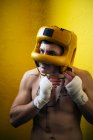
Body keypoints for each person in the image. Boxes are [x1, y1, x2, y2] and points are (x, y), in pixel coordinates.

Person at [10, 26, 93, 140]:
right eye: (42, 51)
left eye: (51, 53)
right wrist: (40, 100)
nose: (43, 58)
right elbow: (14, 120)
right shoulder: (30, 77)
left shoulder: (83, 77)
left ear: (67, 55)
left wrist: (79, 95)